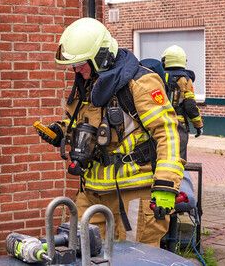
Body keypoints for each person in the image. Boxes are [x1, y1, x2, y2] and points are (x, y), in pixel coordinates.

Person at [35, 18, 182, 247]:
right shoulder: (88, 85)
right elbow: (83, 125)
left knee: (134, 260)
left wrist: (166, 183)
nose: (75, 69)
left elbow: (168, 133)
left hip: (132, 196)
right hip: (92, 192)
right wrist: (61, 131)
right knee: (81, 252)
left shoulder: (139, 83)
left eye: (81, 63)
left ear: (101, 56)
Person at [161, 45, 204, 161]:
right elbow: (190, 105)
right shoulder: (185, 80)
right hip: (178, 126)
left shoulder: (158, 76)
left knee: (160, 157)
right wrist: (198, 125)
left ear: (165, 60)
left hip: (160, 123)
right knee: (179, 160)